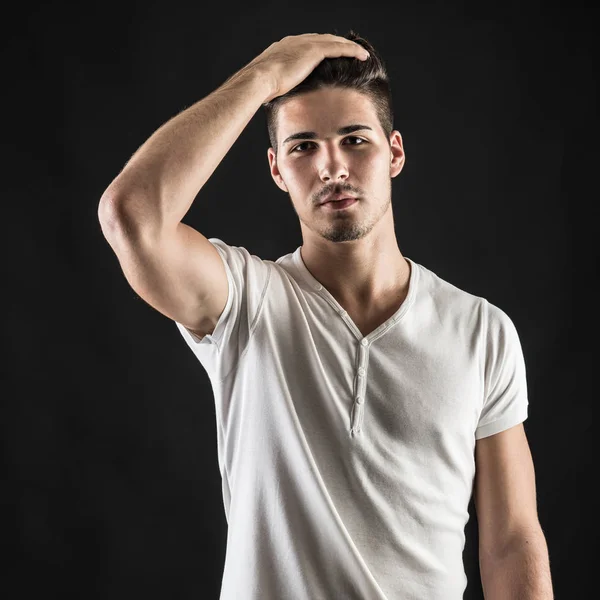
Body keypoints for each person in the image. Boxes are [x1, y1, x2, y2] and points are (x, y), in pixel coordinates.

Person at [98, 31, 554, 600]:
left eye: (354, 140)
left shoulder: (481, 331)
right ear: (276, 170)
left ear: (395, 152)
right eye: (303, 146)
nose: (331, 166)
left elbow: (511, 540)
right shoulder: (244, 303)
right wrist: (264, 75)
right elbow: (131, 217)